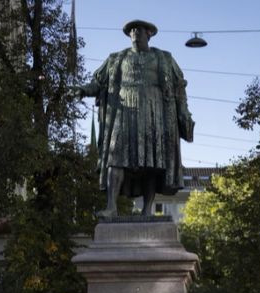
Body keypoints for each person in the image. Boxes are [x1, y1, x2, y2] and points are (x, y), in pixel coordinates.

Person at [76, 19, 194, 217]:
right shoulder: (116, 59)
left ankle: (148, 209)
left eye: (138, 30)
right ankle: (111, 207)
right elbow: (98, 83)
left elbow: (178, 87)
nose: (134, 33)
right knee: (115, 156)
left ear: (149, 33)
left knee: (151, 162)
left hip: (154, 113)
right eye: (131, 30)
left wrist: (184, 113)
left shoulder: (163, 58)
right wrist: (82, 90)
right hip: (123, 112)